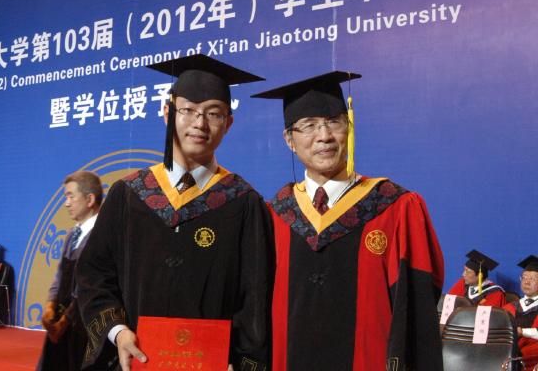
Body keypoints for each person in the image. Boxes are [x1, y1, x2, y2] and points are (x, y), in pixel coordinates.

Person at [76, 55, 274, 371]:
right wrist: (118, 331)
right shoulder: (128, 195)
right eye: (188, 110)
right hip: (135, 361)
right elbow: (93, 274)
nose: (200, 123)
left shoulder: (243, 202)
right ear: (167, 113)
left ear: (228, 123)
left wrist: (239, 361)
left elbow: (256, 299)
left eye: (214, 113)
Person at [252, 72, 445, 371]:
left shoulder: (394, 207)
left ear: (349, 127)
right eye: (309, 126)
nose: (324, 136)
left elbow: (417, 305)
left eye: (334, 122)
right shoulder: (273, 215)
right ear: (289, 140)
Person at [38, 171, 106, 370]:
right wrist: (50, 306)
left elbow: (88, 286)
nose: (66, 204)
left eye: (70, 196)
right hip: (61, 322)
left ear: (90, 199)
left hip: (85, 324)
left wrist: (65, 321)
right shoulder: (72, 234)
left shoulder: (101, 236)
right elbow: (60, 274)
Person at [503, 255, 538, 371]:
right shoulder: (509, 307)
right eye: (524, 277)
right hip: (507, 357)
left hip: (532, 360)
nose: (526, 282)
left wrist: (522, 332)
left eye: (532, 279)